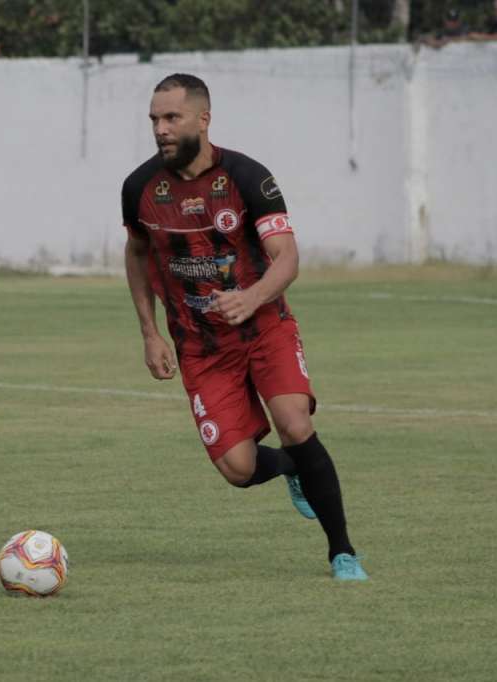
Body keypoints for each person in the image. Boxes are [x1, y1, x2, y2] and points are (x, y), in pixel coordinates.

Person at [120, 74, 367, 581]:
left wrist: (251, 297)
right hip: (201, 347)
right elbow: (137, 253)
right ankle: (292, 468)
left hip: (263, 328)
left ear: (203, 119)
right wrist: (149, 332)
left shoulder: (248, 178)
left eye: (172, 118)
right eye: (154, 120)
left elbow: (287, 257)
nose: (161, 129)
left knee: (295, 423)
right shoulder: (140, 188)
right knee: (237, 468)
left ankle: (342, 552)